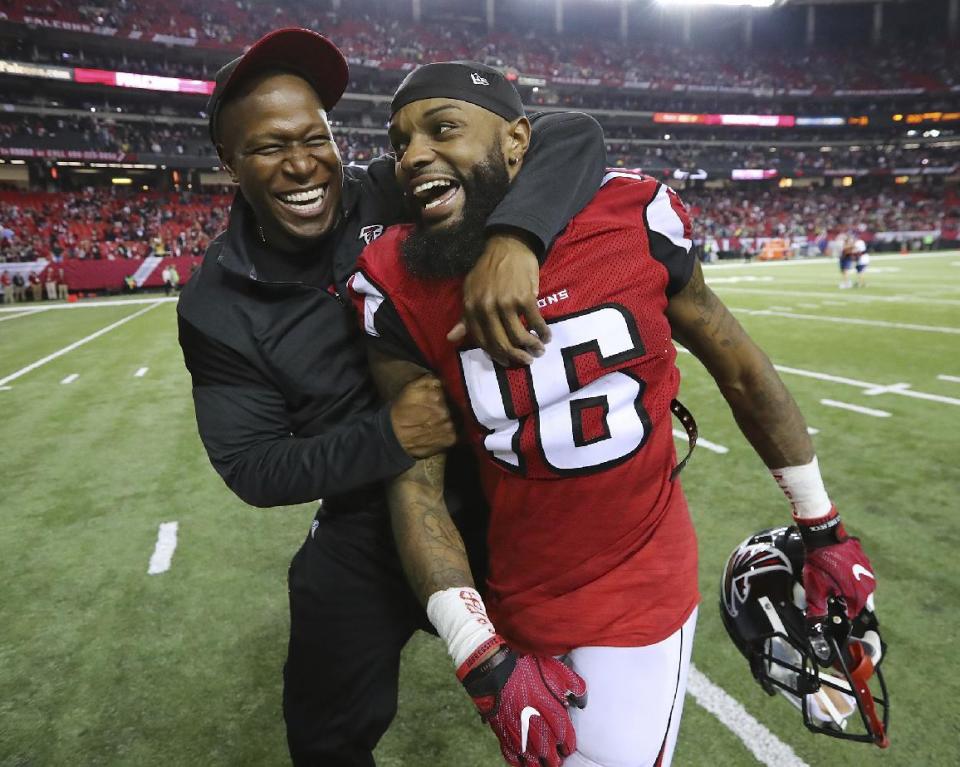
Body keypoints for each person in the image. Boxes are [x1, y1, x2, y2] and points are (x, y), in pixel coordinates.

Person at [350, 63, 879, 767]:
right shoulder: (393, 278)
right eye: (399, 142)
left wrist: (821, 522)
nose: (413, 154)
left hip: (639, 577)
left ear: (515, 141)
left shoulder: (630, 215)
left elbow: (740, 368)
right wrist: (480, 655)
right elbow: (414, 480)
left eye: (442, 128)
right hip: (517, 585)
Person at [176, 28, 606, 767]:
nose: (304, 163)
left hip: (495, 493)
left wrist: (516, 238)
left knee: (580, 714)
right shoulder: (214, 304)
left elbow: (570, 134)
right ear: (228, 162)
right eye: (270, 147)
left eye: (316, 138)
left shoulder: (391, 185)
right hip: (365, 522)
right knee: (325, 735)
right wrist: (391, 433)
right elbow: (251, 465)